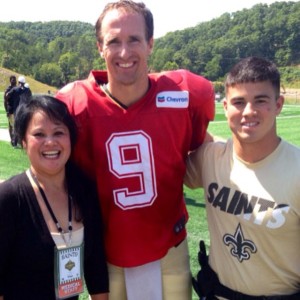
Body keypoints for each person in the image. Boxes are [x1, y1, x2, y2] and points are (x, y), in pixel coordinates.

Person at [55, 1, 215, 299]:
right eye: (114, 41)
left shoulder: (183, 94)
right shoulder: (74, 105)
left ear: (150, 44)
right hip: (109, 253)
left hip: (170, 248)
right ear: (99, 47)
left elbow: (199, 147)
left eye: (134, 40)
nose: (125, 52)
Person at [185, 56, 300, 299]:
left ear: (278, 104)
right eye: (239, 102)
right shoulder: (210, 158)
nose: (249, 111)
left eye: (261, 100)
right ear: (225, 107)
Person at [0, 95, 109, 300]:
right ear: (23, 141)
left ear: (70, 138)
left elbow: (96, 268)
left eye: (59, 132)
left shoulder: (84, 191)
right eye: (39, 134)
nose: (50, 142)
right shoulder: (9, 199)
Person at [4, 75, 32, 147]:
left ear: (18, 81)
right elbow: (30, 99)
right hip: (24, 110)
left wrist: (8, 102)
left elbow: (6, 96)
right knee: (22, 126)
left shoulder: (15, 89)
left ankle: (15, 143)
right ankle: (21, 142)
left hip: (16, 110)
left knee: (14, 126)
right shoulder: (27, 90)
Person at [3, 75, 17, 145]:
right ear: (10, 81)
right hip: (10, 109)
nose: (14, 81)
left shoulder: (17, 89)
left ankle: (15, 139)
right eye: (13, 80)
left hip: (17, 109)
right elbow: (5, 101)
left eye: (15, 80)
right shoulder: (8, 89)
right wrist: (7, 110)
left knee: (16, 125)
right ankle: (12, 139)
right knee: (11, 125)